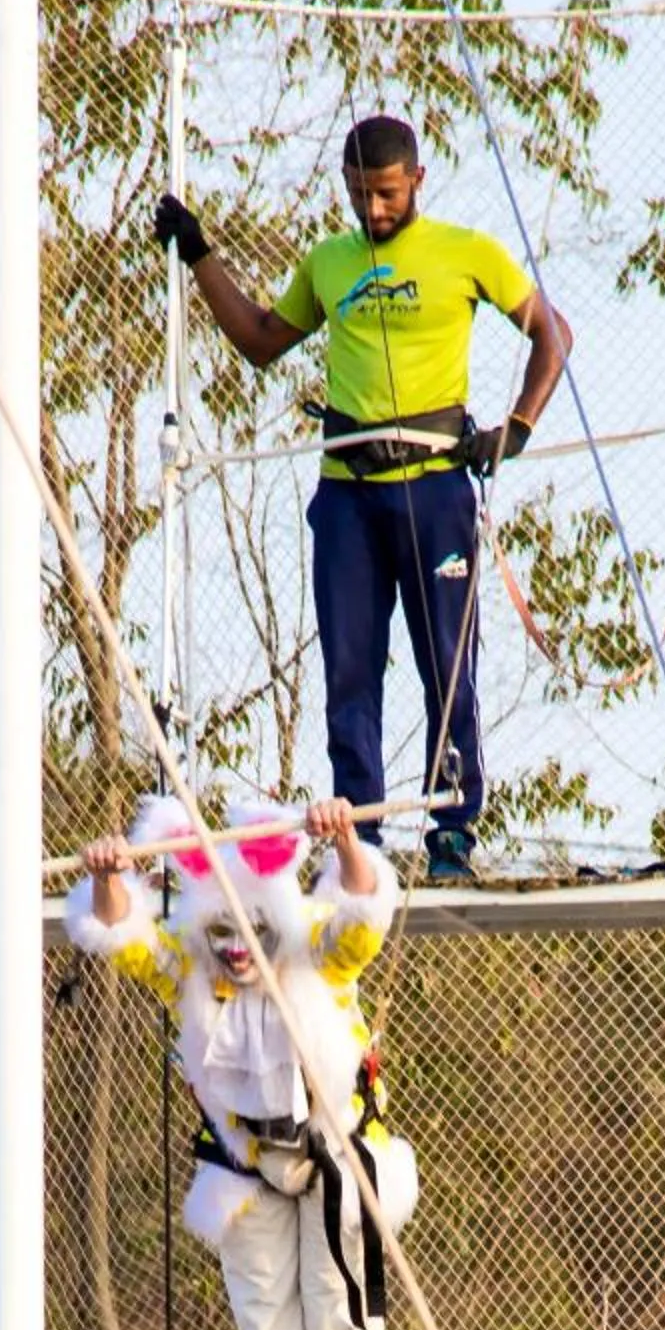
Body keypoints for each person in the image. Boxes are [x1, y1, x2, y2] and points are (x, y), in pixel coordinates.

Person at [153, 116, 573, 884]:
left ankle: (451, 831)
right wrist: (199, 254)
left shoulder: (466, 252)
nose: (373, 212)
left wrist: (514, 429)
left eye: (384, 194)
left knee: (445, 663)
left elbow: (554, 336)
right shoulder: (329, 262)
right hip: (348, 494)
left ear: (416, 178)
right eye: (358, 196)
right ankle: (363, 845)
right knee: (349, 671)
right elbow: (258, 340)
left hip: (436, 487)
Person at [65, 794, 419, 1330]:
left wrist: (346, 842)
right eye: (220, 932)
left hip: (335, 1160)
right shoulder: (189, 969)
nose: (234, 950)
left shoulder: (317, 953)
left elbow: (365, 913)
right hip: (248, 1168)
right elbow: (125, 939)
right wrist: (108, 878)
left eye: (250, 932)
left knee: (340, 1324)